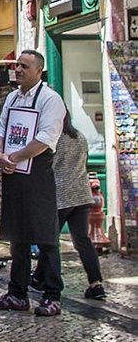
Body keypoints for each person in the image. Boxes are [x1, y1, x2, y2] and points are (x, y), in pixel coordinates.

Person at [0, 50, 66, 317]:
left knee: (46, 236)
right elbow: (1, 130)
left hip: (38, 174)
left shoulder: (50, 100)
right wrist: (0, 154)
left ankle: (52, 295)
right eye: (16, 65)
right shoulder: (12, 98)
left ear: (38, 71)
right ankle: (17, 293)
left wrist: (16, 157)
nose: (18, 69)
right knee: (17, 235)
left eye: (24, 66)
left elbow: (45, 138)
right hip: (13, 172)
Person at [35, 114, 106, 302]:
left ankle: (46, 282)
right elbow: (85, 162)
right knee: (83, 240)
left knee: (49, 241)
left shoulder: (52, 139)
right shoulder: (80, 137)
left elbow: (44, 166)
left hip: (60, 196)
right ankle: (96, 284)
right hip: (81, 195)